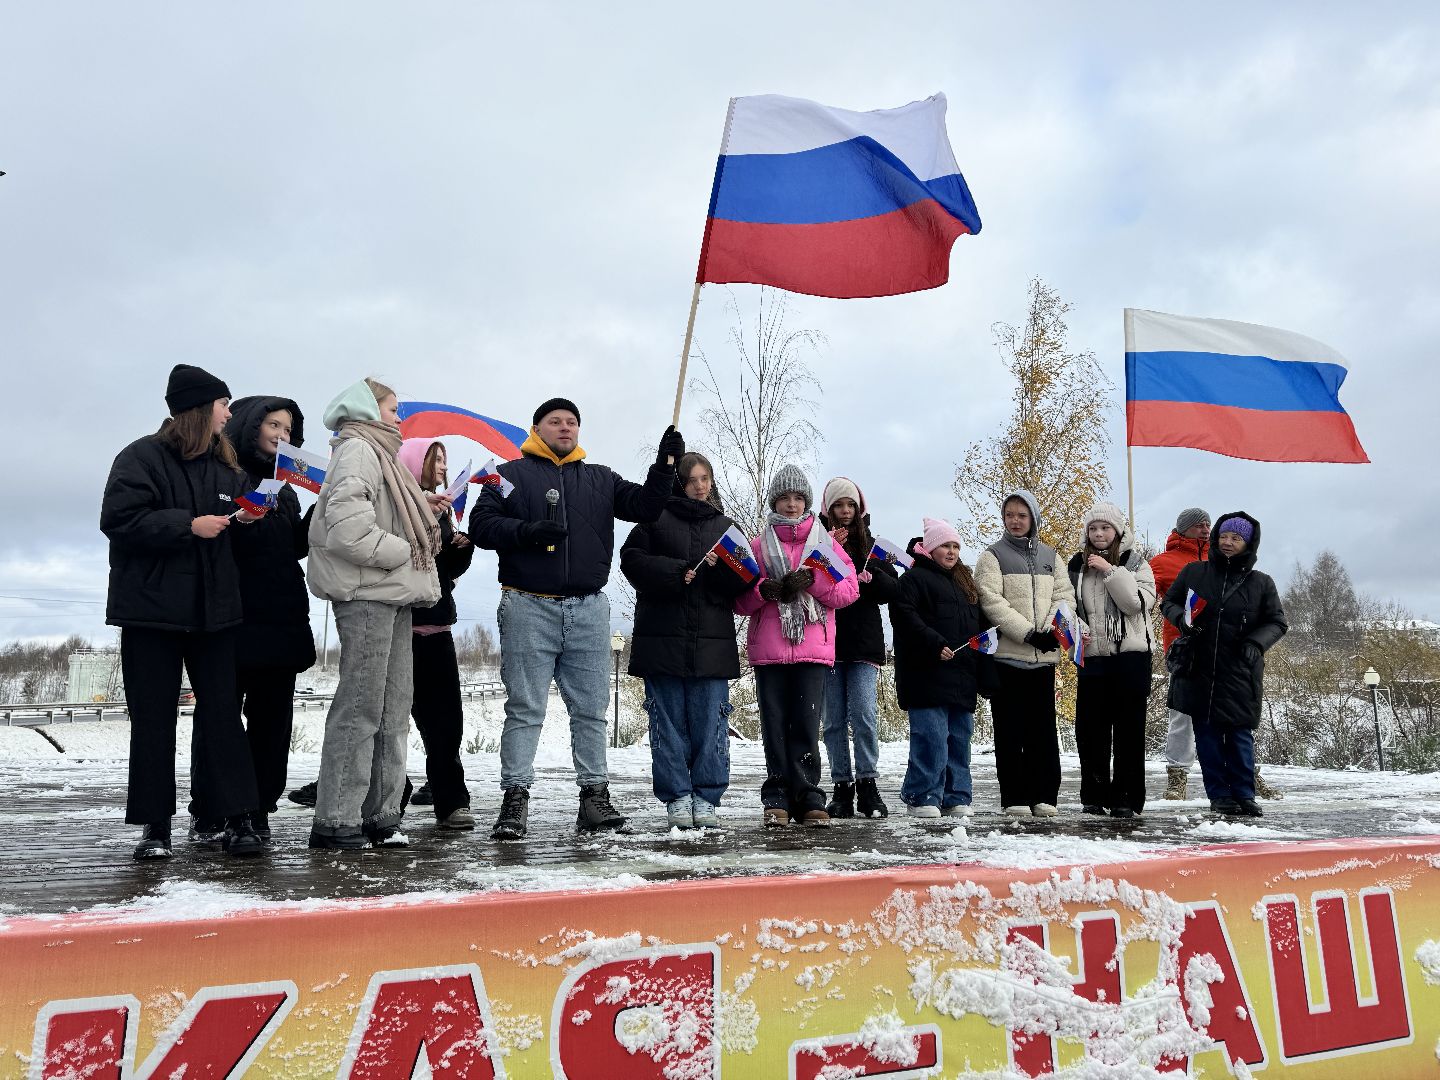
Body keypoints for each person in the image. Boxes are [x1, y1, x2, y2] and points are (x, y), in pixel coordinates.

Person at [469, 398, 681, 839]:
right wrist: (526, 532)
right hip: (527, 604)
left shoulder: (601, 479)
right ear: (537, 428)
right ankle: (514, 801)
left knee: (591, 710)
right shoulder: (508, 476)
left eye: (571, 422)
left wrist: (665, 466)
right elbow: (482, 526)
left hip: (588, 607)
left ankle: (594, 798)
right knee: (525, 708)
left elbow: (644, 506)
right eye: (555, 422)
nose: (565, 428)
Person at [100, 364, 266, 859]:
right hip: (151, 614)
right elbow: (119, 519)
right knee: (153, 719)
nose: (229, 413)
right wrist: (188, 525)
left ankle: (238, 818)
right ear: (198, 408)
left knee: (221, 718)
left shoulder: (229, 470)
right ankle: (155, 827)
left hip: (214, 613)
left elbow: (242, 535)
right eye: (223, 404)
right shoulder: (140, 458)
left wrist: (256, 517)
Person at [306, 378, 440, 849]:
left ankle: (379, 814)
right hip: (367, 594)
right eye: (392, 408)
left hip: (391, 594)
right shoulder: (359, 450)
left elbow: (372, 514)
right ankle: (337, 817)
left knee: (391, 708)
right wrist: (404, 548)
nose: (399, 418)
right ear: (366, 409)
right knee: (362, 706)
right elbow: (347, 528)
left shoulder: (379, 454)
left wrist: (422, 510)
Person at [187, 395, 315, 843]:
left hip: (280, 617)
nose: (282, 435)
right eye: (273, 425)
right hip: (230, 616)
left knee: (272, 720)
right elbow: (212, 537)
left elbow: (295, 546)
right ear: (249, 425)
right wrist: (240, 519)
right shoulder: (221, 474)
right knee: (218, 718)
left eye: (288, 428)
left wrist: (323, 509)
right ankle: (211, 808)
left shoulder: (287, 488)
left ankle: (259, 807)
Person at [620, 452, 748, 828]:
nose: (700, 486)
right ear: (678, 482)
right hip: (663, 641)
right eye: (692, 479)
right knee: (667, 724)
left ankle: (707, 797)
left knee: (712, 723)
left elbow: (745, 580)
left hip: (712, 643)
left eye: (705, 478)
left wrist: (722, 571)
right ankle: (676, 795)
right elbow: (630, 560)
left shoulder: (726, 526)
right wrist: (677, 572)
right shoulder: (653, 518)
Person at [735, 464, 859, 827]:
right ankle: (776, 796)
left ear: (806, 501)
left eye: (798, 497)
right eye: (785, 498)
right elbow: (738, 601)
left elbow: (848, 591)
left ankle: (808, 796)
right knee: (774, 725)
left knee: (806, 725)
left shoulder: (825, 545)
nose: (791, 504)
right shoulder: (757, 547)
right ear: (775, 501)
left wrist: (812, 583)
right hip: (768, 650)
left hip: (813, 648)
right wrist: (763, 591)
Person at [1161, 513, 1287, 817]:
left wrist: (1255, 644)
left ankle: (1245, 794)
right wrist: (1182, 620)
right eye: (1224, 536)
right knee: (1207, 736)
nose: (1228, 542)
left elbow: (1277, 622)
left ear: (1248, 544)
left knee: (1240, 734)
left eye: (1236, 538)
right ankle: (1219, 795)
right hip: (1198, 666)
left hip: (1240, 670)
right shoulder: (1194, 572)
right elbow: (1170, 603)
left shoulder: (1261, 583)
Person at [973, 490, 1075, 817]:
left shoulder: (1051, 556)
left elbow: (1065, 597)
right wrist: (1028, 632)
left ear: (1032, 518)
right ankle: (1014, 797)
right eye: (1009, 515)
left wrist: (1048, 631)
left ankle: (1044, 796)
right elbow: (991, 601)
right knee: (1010, 730)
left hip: (1043, 660)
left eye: (1022, 515)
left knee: (1042, 731)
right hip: (1008, 658)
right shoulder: (992, 556)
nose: (1015, 521)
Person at [889, 519, 994, 818]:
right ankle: (922, 795)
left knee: (959, 739)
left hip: (961, 675)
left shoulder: (965, 583)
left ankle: (956, 795)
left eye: (955, 547)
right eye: (945, 546)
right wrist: (934, 643)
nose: (951, 552)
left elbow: (979, 626)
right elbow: (905, 617)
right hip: (926, 674)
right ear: (930, 548)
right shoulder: (913, 579)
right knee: (931, 737)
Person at [398, 437, 477, 830]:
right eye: (435, 459)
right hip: (398, 628)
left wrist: (460, 549)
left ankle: (451, 801)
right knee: (393, 720)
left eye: (445, 460)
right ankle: (391, 794)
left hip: (438, 625)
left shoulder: (444, 510)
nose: (443, 466)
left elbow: (444, 570)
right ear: (414, 462)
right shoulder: (396, 504)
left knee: (446, 722)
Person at [1066, 503, 1156, 819]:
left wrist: (1110, 571)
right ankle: (1094, 795)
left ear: (1117, 531)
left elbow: (1135, 604)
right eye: (1093, 528)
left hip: (1130, 656)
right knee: (1091, 731)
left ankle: (1126, 798)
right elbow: (1067, 607)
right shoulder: (1076, 565)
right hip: (1092, 657)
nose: (1099, 534)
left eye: (1105, 528)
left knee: (1129, 732)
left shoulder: (1136, 563)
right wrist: (1077, 628)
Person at [818, 478, 899, 819]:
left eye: (850, 505)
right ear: (829, 509)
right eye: (839, 505)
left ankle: (868, 783)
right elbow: (809, 580)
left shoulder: (872, 546)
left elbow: (892, 589)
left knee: (864, 715)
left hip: (864, 643)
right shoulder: (818, 541)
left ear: (859, 508)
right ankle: (841, 786)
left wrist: (873, 579)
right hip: (828, 643)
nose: (846, 511)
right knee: (833, 720)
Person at [1149, 507, 1210, 800]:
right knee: (1182, 712)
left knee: (1229, 711)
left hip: (1221, 647)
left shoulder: (1221, 559)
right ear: (1183, 529)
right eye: (1199, 525)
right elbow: (1144, 596)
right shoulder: (1161, 563)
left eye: (1208, 524)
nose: (1206, 528)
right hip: (1182, 647)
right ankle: (1177, 776)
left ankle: (1244, 771)